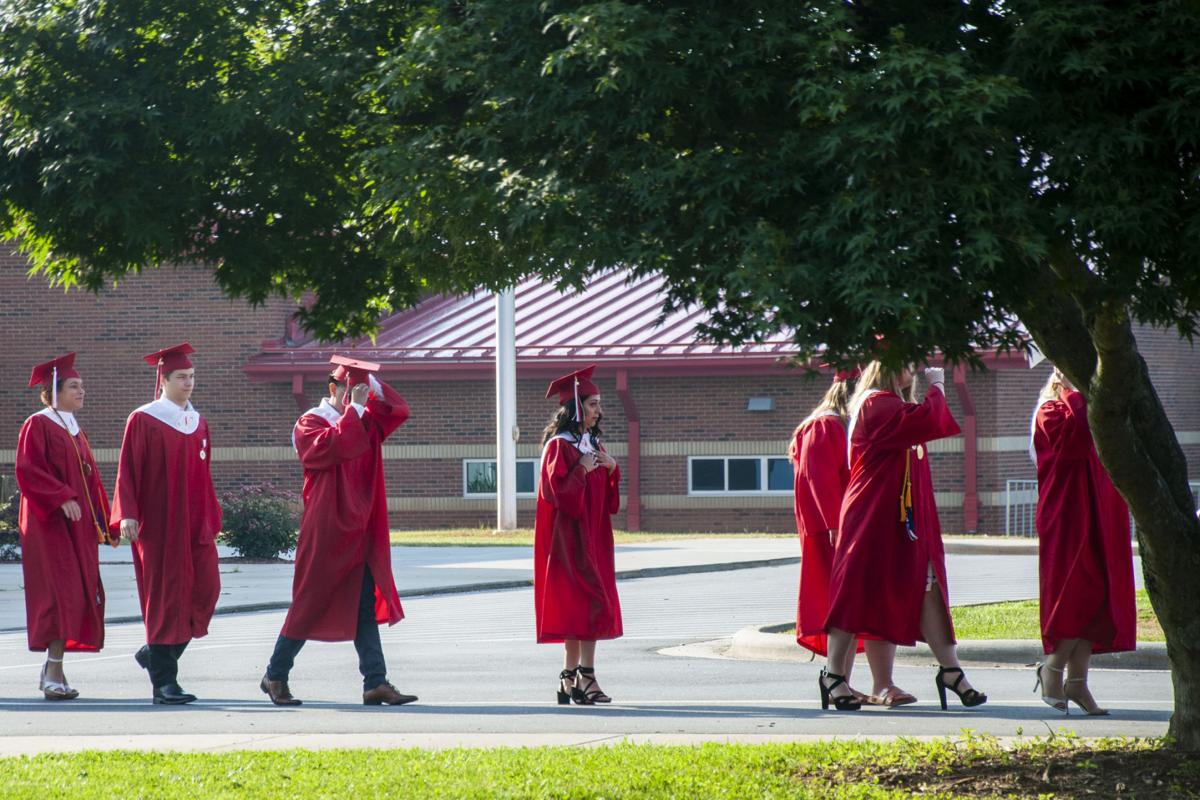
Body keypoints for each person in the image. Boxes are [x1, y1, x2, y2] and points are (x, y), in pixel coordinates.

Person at [822, 362, 987, 711]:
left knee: (927, 588)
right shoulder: (876, 403)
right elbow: (930, 419)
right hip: (872, 515)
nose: (913, 368)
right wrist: (938, 386)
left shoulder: (892, 405)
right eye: (907, 363)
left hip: (902, 519)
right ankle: (833, 674)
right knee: (857, 589)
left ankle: (951, 670)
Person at [261, 355, 416, 707]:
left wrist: (373, 386)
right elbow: (334, 448)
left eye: (363, 392)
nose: (360, 397)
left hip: (360, 526)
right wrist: (356, 410)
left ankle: (375, 681)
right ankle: (275, 674)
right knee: (309, 602)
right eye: (352, 390)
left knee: (362, 604)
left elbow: (399, 410)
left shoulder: (363, 420)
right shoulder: (309, 424)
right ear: (334, 388)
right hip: (326, 525)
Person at [791, 369, 912, 707]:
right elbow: (820, 479)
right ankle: (841, 681)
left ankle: (865, 683)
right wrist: (836, 525)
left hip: (855, 530)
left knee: (864, 604)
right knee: (842, 607)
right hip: (834, 535)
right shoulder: (825, 425)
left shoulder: (843, 426)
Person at [110, 343, 222, 705]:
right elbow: (128, 469)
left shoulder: (198, 422)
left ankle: (155, 656)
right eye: (181, 377)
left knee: (205, 591)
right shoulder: (144, 419)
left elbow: (204, 477)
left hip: (195, 523)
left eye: (191, 377)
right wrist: (127, 512)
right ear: (163, 379)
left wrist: (211, 517)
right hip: (158, 525)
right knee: (164, 598)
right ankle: (164, 683)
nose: (188, 383)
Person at [1030, 368, 1135, 715]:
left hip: (1097, 514)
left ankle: (1077, 683)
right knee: (1077, 595)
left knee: (1098, 596)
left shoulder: (1086, 408)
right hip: (1067, 517)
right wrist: (1074, 391)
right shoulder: (1049, 412)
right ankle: (1052, 667)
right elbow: (1075, 443)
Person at [16, 353, 118, 700]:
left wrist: (106, 522)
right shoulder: (39, 424)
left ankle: (53, 668)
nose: (82, 391)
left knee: (76, 595)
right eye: (75, 386)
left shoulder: (74, 429)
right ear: (53, 391)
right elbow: (29, 470)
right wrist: (61, 497)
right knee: (59, 596)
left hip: (77, 527)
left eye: (82, 386)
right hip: (50, 526)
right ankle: (52, 671)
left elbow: (92, 483)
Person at [535, 365, 622, 705]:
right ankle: (585, 676)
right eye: (593, 404)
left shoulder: (592, 443)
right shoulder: (560, 447)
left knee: (585, 604)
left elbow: (607, 503)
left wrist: (611, 470)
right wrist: (583, 470)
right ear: (576, 407)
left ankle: (570, 677)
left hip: (595, 535)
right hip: (569, 538)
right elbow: (557, 496)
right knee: (581, 603)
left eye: (599, 404)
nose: (599, 411)